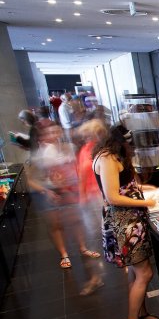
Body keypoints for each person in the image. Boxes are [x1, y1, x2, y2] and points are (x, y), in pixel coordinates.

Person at [93, 124, 159, 319]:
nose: (130, 147)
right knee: (144, 273)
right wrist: (147, 202)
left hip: (133, 219)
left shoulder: (115, 156)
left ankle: (143, 315)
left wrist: (148, 191)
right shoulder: (107, 159)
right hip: (124, 222)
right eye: (128, 143)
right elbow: (113, 197)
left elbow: (128, 186)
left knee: (136, 273)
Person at [26, 121, 102, 282]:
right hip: (49, 193)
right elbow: (31, 179)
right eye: (48, 132)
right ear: (42, 136)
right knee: (56, 225)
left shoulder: (68, 147)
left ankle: (82, 247)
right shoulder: (37, 154)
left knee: (76, 220)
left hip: (69, 190)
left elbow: (76, 168)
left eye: (55, 131)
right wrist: (45, 190)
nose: (53, 135)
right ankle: (64, 254)